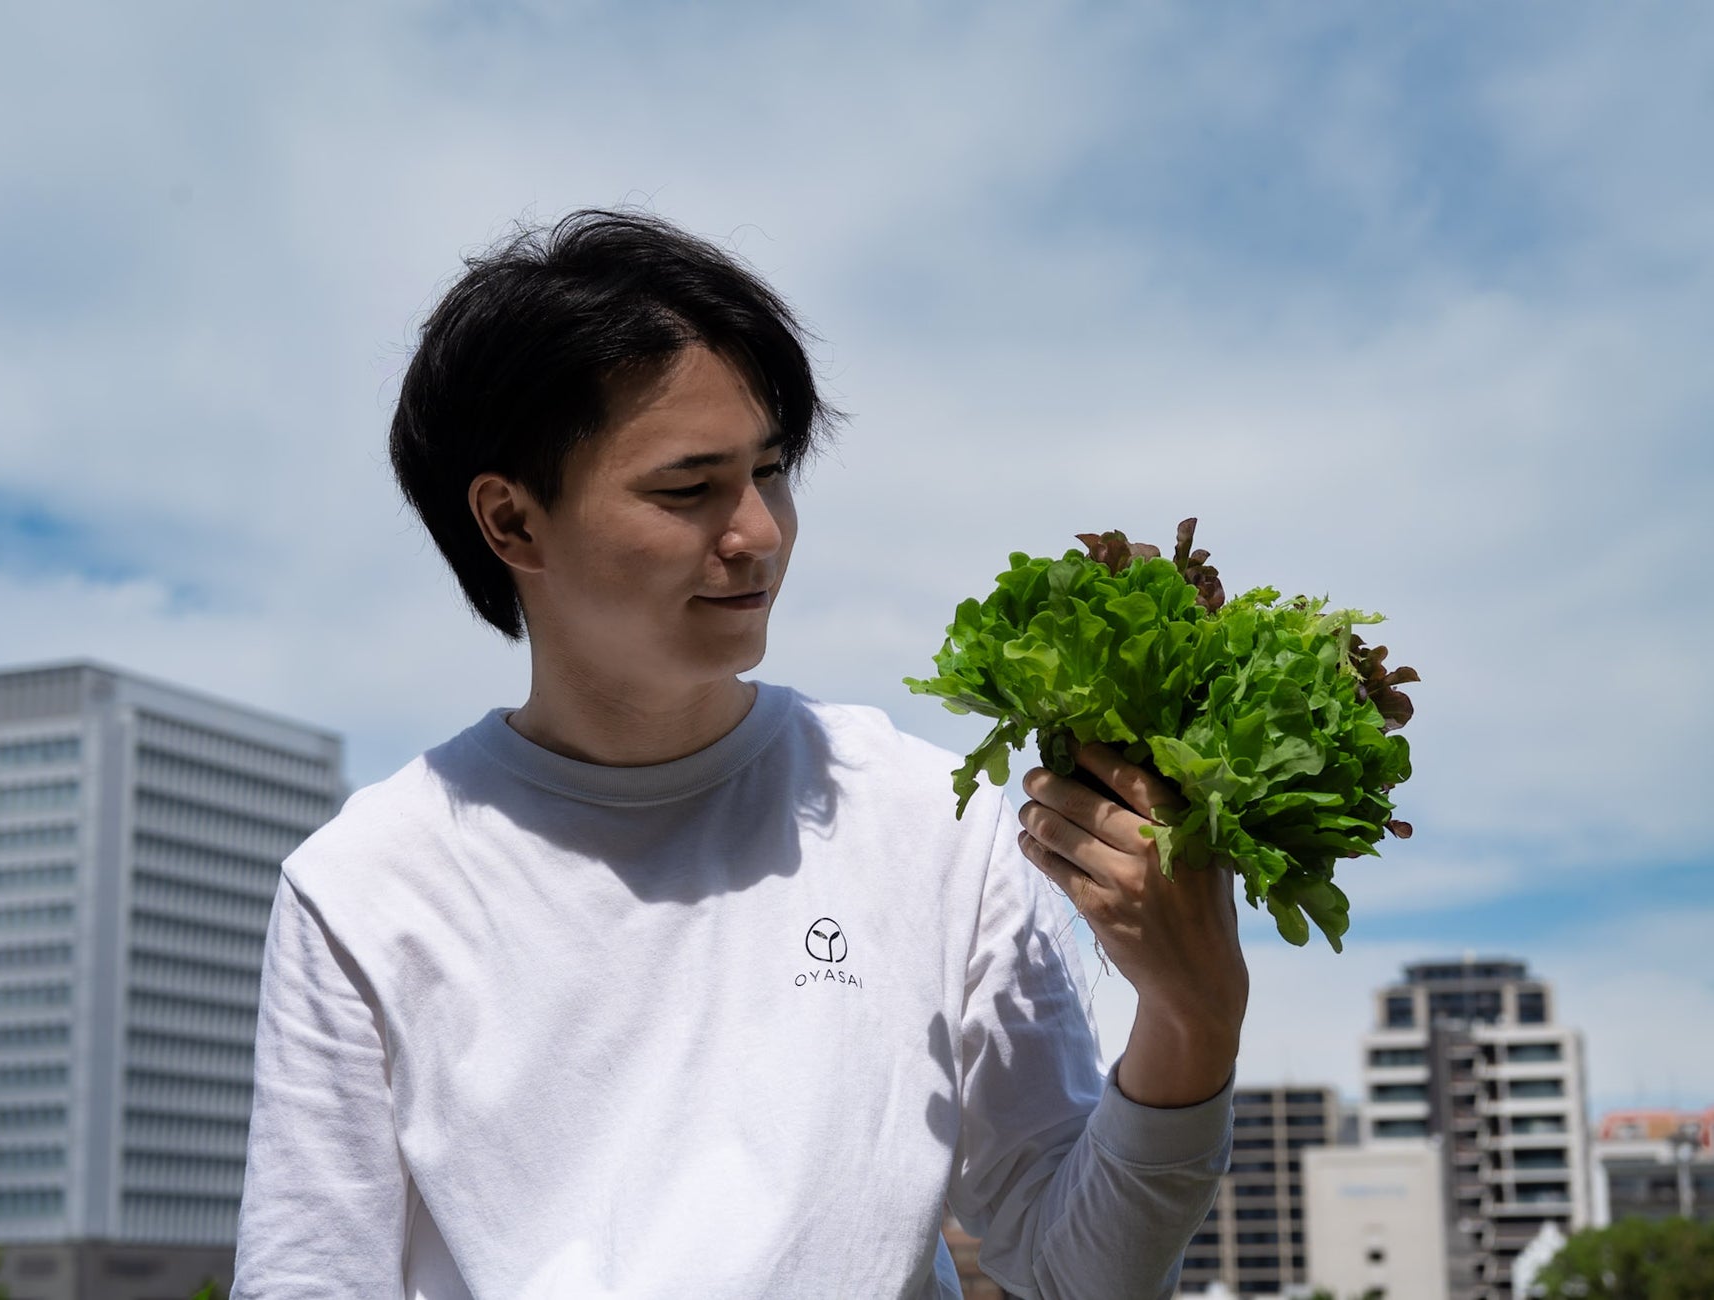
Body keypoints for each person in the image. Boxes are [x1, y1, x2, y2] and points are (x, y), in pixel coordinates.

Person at [231, 210, 1248, 1299]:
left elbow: (1071, 1273)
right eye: (689, 489)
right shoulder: (368, 886)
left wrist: (1193, 1018)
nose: (758, 532)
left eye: (770, 472)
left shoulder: (924, 819)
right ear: (512, 523)